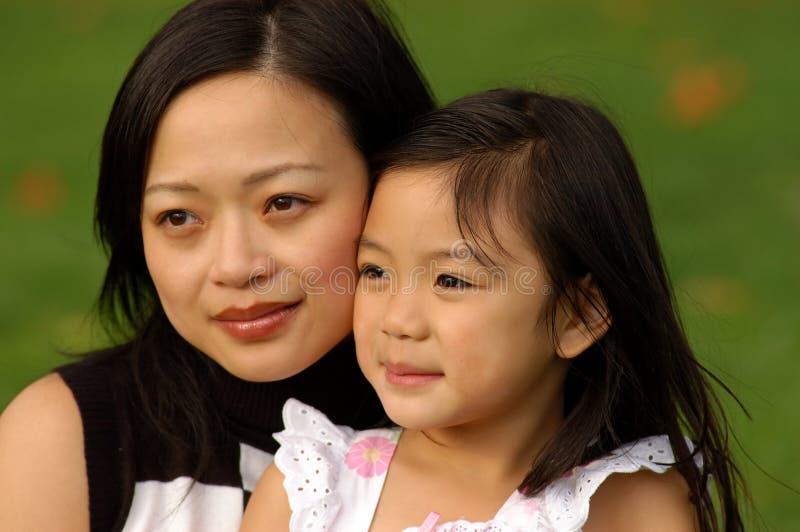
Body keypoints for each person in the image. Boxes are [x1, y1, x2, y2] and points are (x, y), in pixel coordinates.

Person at [0, 0, 434, 530]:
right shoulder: (67, 445)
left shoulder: (512, 436)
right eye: (179, 216)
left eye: (283, 202)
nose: (235, 266)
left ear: (398, 182)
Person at [241, 88, 745, 531]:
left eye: (451, 280)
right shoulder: (309, 491)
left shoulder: (631, 508)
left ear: (579, 316)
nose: (397, 321)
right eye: (374, 271)